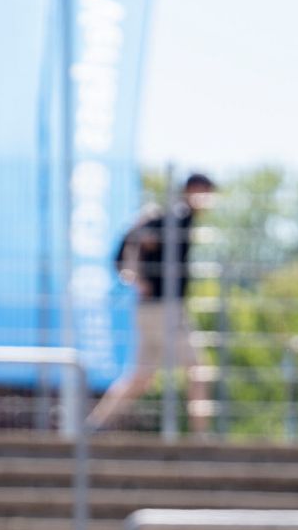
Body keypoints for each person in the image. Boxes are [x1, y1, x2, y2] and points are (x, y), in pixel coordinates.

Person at [87, 172, 217, 434]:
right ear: (194, 190)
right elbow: (134, 238)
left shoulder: (175, 218)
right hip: (163, 310)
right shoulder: (176, 217)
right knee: (198, 370)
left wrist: (134, 274)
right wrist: (136, 276)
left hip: (152, 310)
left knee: (141, 378)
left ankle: (92, 428)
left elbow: (132, 239)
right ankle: (202, 439)